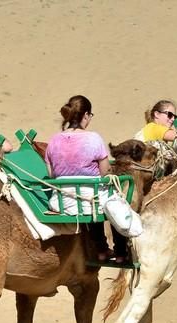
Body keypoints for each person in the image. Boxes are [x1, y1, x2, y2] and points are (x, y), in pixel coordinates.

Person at [44, 95, 127, 263]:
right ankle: (121, 253)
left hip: (63, 201)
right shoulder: (93, 138)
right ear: (86, 115)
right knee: (115, 202)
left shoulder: (54, 140)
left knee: (93, 199)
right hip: (90, 199)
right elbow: (104, 172)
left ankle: (101, 250)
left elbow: (52, 174)